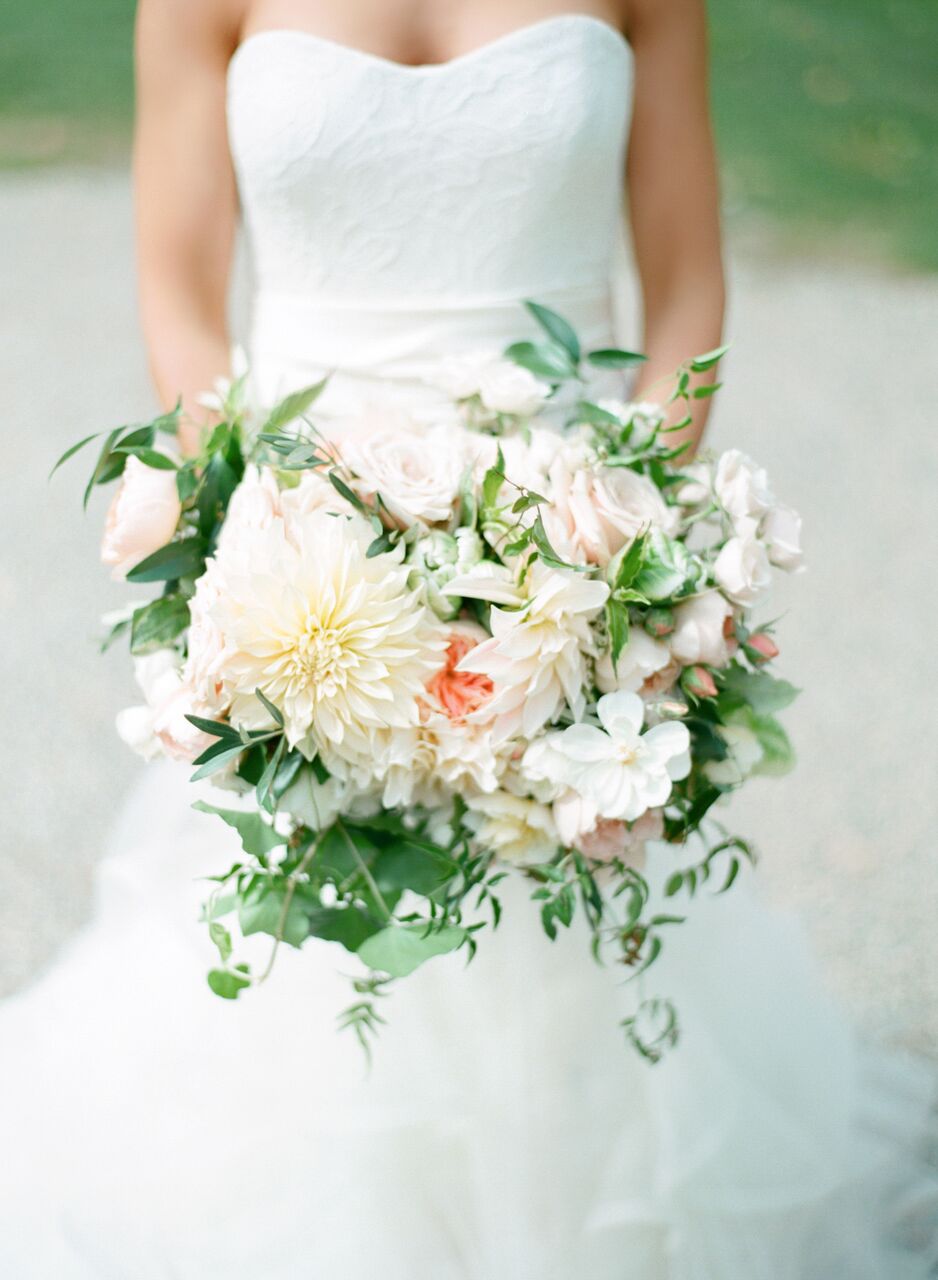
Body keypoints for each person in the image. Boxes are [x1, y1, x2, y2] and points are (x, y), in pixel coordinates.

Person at [0, 2, 934, 1276]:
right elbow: (178, 281)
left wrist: (611, 564)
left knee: (568, 931)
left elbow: (684, 297)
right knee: (305, 964)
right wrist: (260, 531)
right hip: (305, 564)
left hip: (568, 557)